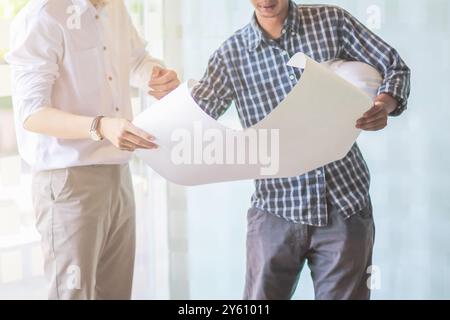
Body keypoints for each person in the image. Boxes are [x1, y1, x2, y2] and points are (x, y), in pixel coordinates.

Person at [191, 0, 411, 300]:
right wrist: (169, 96)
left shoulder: (331, 21)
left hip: (344, 202)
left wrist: (384, 105)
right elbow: (196, 114)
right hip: (274, 207)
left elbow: (395, 67)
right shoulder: (231, 55)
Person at [6, 0, 179, 300]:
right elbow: (31, 113)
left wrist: (157, 75)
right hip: (68, 183)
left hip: (118, 175)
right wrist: (100, 127)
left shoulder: (115, 9)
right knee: (73, 295)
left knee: (116, 293)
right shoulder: (42, 17)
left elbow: (136, 60)